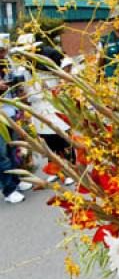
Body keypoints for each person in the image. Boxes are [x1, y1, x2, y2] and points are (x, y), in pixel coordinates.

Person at [23, 43, 75, 185]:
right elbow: (29, 91)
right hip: (39, 109)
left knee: (63, 139)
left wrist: (62, 83)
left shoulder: (53, 64)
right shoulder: (27, 70)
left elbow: (68, 62)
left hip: (56, 107)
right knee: (49, 141)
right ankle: (55, 169)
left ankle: (71, 170)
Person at [0, 40, 32, 204]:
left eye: (4, 51)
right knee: (2, 154)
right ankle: (9, 189)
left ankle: (17, 181)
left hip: (10, 112)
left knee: (13, 149)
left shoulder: (6, 64)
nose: (3, 54)